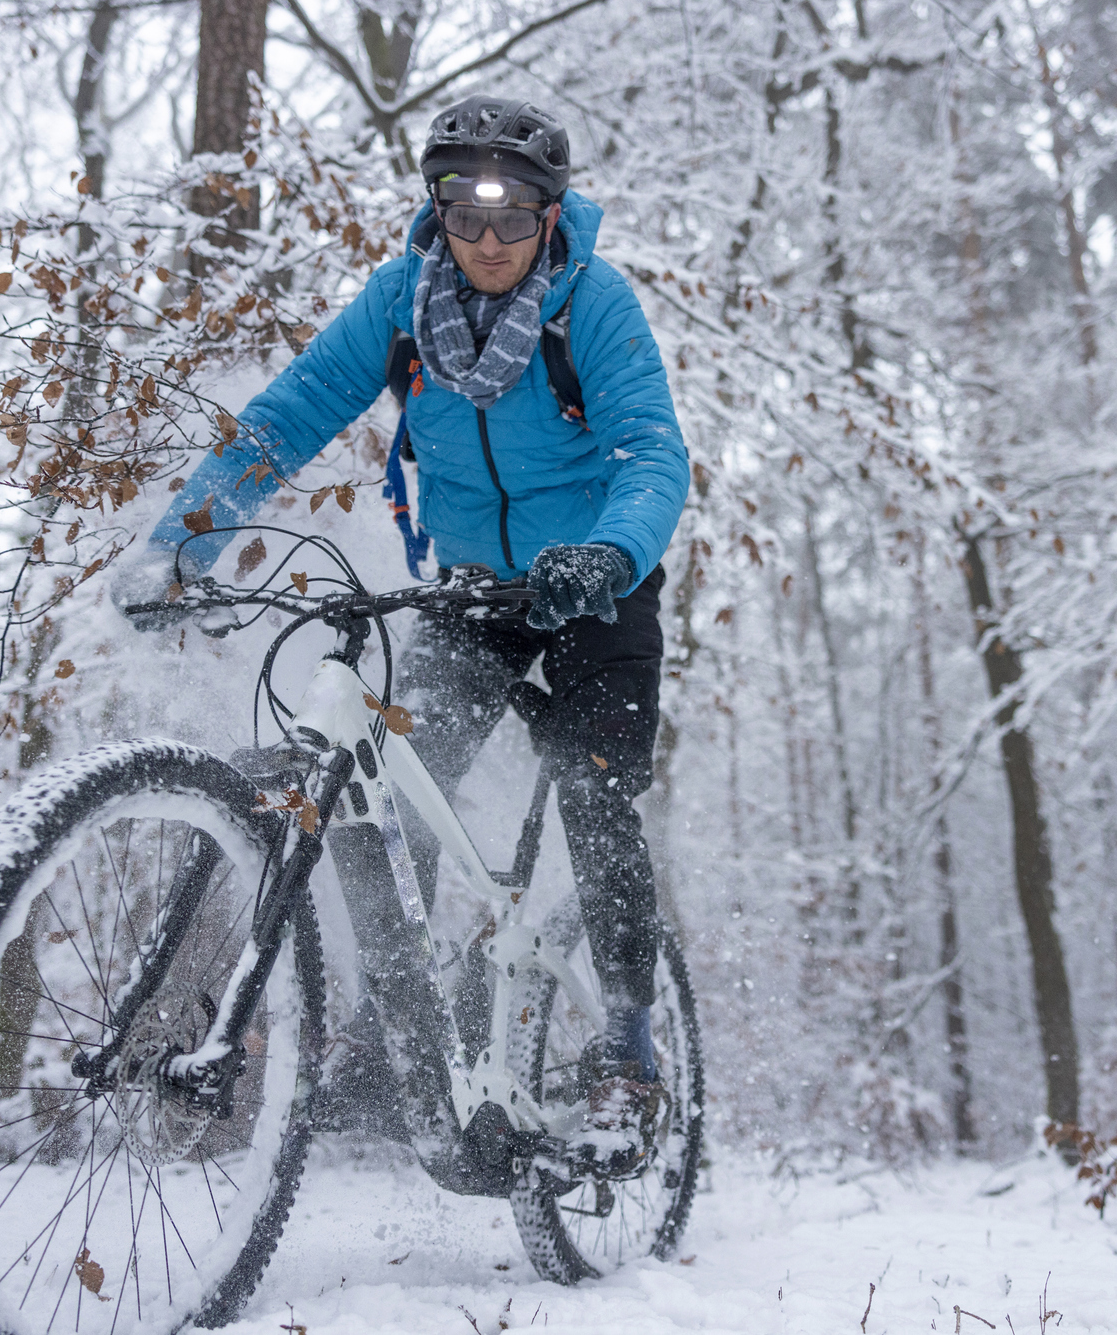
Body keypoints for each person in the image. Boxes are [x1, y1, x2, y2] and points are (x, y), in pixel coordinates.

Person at [116, 95, 689, 1157]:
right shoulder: (399, 301)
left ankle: (626, 1047)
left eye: (513, 217)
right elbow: (289, 415)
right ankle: (397, 1035)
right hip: (474, 592)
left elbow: (652, 453)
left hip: (597, 587)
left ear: (549, 217)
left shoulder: (592, 307)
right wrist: (184, 540)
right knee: (392, 792)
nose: (486, 240)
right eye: (463, 214)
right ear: (433, 211)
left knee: (592, 791)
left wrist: (607, 553)